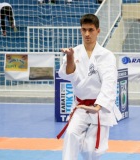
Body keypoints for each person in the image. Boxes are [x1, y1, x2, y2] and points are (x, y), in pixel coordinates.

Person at [57, 14, 122, 160]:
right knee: (71, 135)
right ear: (80, 30)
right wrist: (69, 58)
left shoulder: (106, 55)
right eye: (84, 30)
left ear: (98, 31)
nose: (87, 34)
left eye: (91, 30)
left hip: (98, 108)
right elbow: (67, 75)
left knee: (91, 151)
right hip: (80, 106)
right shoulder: (74, 52)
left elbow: (109, 81)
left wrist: (99, 105)